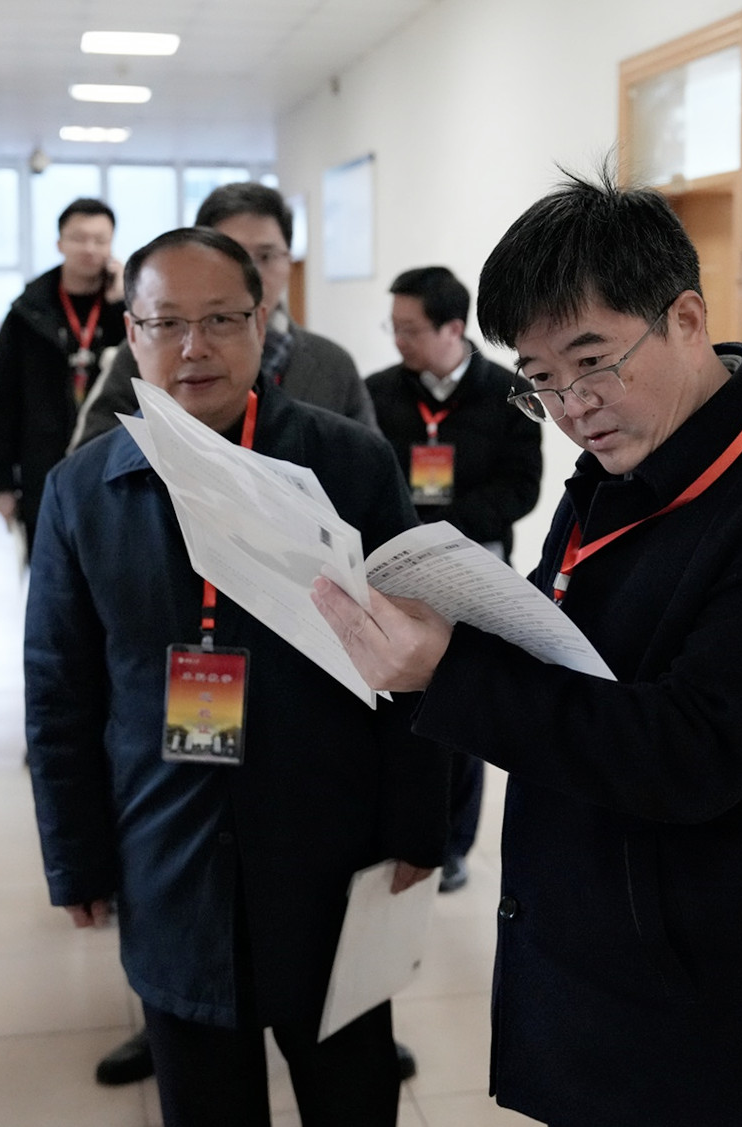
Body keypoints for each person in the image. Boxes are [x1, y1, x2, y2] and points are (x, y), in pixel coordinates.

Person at [311, 171, 742, 1125]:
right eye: (539, 379)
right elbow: (563, 647)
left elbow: (691, 753)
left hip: (717, 990)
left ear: (686, 318)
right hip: (598, 938)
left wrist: (450, 671)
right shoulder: (621, 460)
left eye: (591, 361)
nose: (572, 404)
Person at [26, 226, 448, 1127]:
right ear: (132, 334)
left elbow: (413, 663)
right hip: (167, 850)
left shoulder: (348, 463)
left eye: (220, 319)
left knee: (351, 1094)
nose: (194, 347)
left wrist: (420, 825)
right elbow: (59, 691)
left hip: (329, 843)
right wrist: (75, 857)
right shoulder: (83, 490)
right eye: (167, 322)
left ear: (261, 323)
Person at [364, 265, 542, 894]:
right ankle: (398, 830)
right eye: (393, 327)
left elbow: (522, 486)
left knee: (463, 705)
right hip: (394, 570)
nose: (399, 341)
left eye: (410, 329)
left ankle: (455, 843)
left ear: (452, 328)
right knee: (398, 704)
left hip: (475, 571)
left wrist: (446, 529)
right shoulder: (378, 392)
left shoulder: (510, 392)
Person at [72, 181, 373, 450]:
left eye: (266, 256)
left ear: (288, 261)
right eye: (233, 254)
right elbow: (94, 461)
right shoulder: (148, 354)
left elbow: (364, 466)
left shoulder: (331, 363)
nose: (251, 272)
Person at [0, 197, 126, 555]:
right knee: (49, 570)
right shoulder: (27, 313)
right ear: (60, 243)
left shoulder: (125, 310)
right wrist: (1, 483)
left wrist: (123, 305)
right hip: (43, 466)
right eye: (79, 238)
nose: (90, 249)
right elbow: (1, 399)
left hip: (110, 466)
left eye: (100, 240)